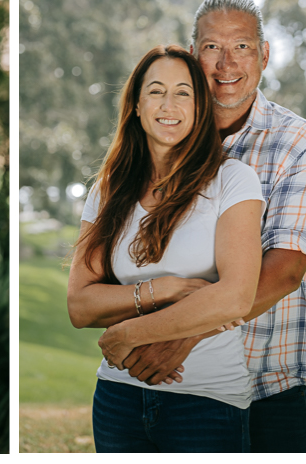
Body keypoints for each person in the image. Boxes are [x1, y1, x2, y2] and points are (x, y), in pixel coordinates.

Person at [118, 0, 306, 452]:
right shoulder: (163, 141)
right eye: (213, 47)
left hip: (267, 380)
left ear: (265, 55)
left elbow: (286, 269)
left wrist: (181, 335)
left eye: (242, 47)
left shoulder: (299, 143)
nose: (226, 63)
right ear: (193, 55)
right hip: (175, 386)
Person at [68, 45, 265, 453]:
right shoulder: (107, 191)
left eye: (183, 93)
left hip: (206, 402)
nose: (168, 104)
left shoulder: (234, 181)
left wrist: (127, 333)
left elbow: (235, 296)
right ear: (137, 106)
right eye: (156, 91)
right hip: (117, 399)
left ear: (199, 107)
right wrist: (169, 288)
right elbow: (81, 305)